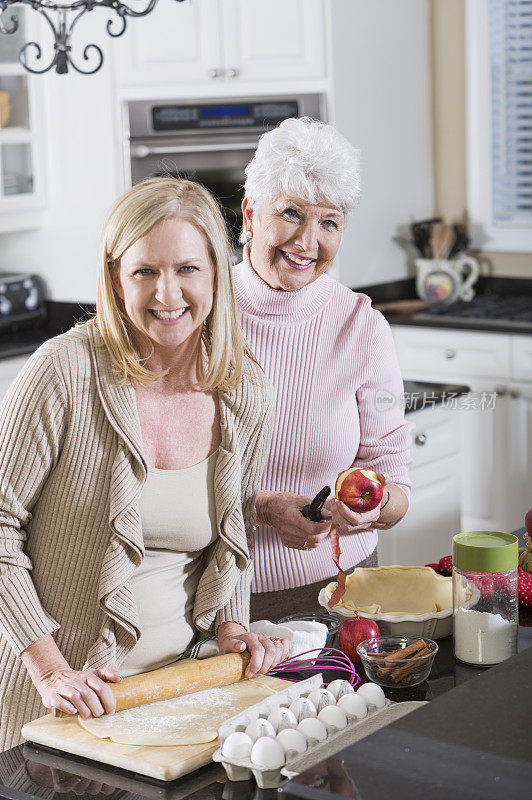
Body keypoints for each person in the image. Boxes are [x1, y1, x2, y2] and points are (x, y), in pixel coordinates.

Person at [0, 177, 288, 752]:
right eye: (144, 272)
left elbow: (230, 542)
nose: (167, 293)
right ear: (115, 278)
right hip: (62, 705)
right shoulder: (63, 373)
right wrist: (51, 668)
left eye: (187, 269)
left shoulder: (244, 390)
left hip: (184, 696)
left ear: (216, 274)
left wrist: (232, 629)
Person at [231, 117, 412, 621]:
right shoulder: (199, 314)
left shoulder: (361, 325)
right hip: (224, 599)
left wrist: (375, 510)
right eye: (291, 213)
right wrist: (261, 507)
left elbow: (394, 476)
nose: (308, 242)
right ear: (250, 214)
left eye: (329, 222)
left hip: (343, 592)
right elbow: (158, 480)